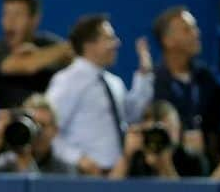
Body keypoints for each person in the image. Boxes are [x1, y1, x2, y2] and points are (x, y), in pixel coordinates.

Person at [46, 14, 154, 175]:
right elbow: (48, 131)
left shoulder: (114, 83)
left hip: (119, 173)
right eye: (109, 38)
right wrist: (78, 159)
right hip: (83, 177)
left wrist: (144, 76)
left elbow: (132, 115)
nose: (117, 43)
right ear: (90, 44)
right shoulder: (67, 80)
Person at [151, 5, 220, 161]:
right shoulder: (153, 82)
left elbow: (216, 127)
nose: (196, 34)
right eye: (187, 30)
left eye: (195, 28)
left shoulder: (206, 78)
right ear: (167, 40)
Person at [0, 0, 71, 109]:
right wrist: (42, 57)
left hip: (48, 120)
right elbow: (27, 65)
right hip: (3, 123)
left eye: (18, 15)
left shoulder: (48, 43)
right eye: (6, 14)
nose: (10, 21)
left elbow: (78, 58)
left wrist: (39, 54)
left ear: (34, 20)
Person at [0, 94, 74, 173]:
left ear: (55, 131)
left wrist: (26, 163)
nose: (38, 131)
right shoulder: (6, 162)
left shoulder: (64, 170)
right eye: (33, 123)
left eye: (43, 125)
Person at [112, 100, 209, 179]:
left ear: (179, 129)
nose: (159, 137)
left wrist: (165, 164)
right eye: (153, 132)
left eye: (168, 129)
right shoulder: (135, 158)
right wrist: (126, 156)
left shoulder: (193, 160)